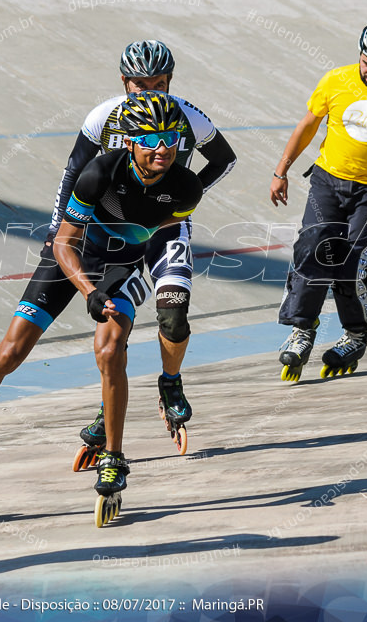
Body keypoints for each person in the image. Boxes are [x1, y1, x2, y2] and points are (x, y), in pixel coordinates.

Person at [0, 93, 202, 515]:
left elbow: (154, 239)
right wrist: (87, 290)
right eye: (150, 138)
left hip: (123, 267)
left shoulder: (186, 187)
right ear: (130, 141)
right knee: (10, 352)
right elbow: (63, 242)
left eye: (171, 138)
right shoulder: (99, 172)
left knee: (110, 350)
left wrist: (131, 290)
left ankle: (114, 457)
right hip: (72, 260)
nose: (163, 148)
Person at [52, 39, 236, 451]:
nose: (150, 91)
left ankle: (170, 383)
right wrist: (57, 227)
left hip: (167, 228)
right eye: (140, 85)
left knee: (174, 317)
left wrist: (184, 197)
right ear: (124, 82)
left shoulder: (187, 115)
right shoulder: (104, 116)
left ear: (171, 80)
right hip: (118, 234)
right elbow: (72, 173)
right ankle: (109, 408)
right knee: (117, 326)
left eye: (159, 83)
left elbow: (225, 159)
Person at [269, 23, 367, 381]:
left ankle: (356, 333)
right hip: (328, 181)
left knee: (351, 264)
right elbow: (308, 125)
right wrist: (281, 171)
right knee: (312, 248)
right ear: (359, 55)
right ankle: (302, 328)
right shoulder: (336, 80)